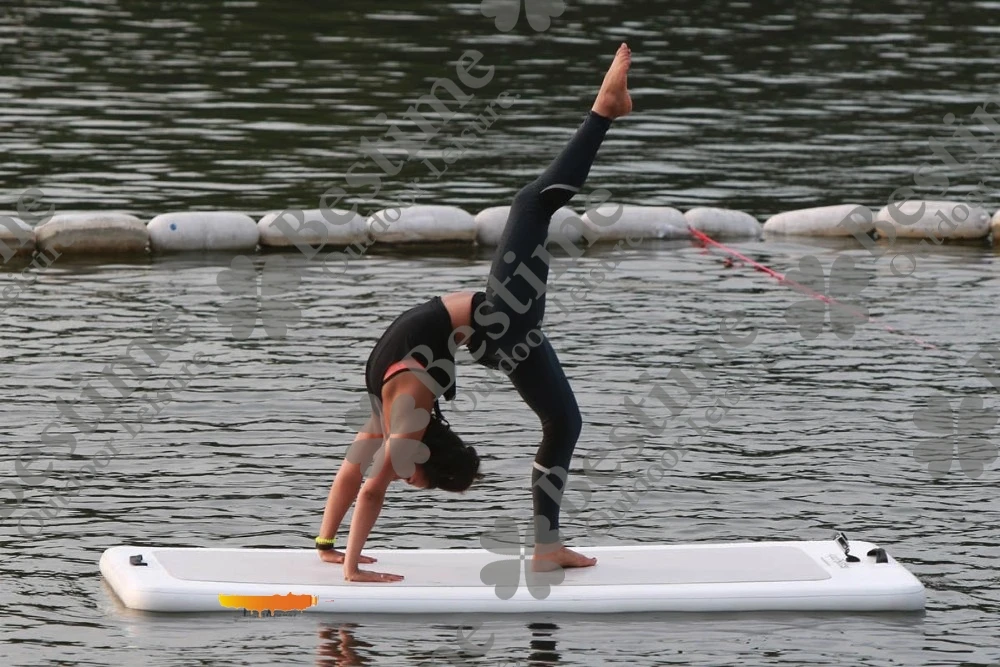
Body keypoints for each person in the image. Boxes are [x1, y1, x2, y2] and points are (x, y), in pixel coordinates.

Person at [316, 43, 633, 583]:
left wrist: (346, 565)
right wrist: (327, 546)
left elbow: (364, 482)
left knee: (533, 206)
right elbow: (356, 477)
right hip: (498, 326)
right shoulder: (396, 409)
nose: (408, 485)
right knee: (529, 204)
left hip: (499, 325)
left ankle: (604, 108)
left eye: (419, 484)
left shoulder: (403, 421)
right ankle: (603, 110)